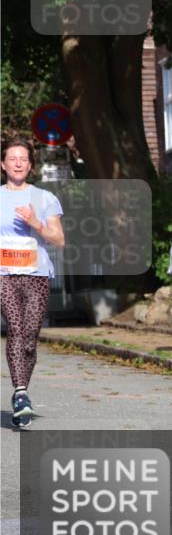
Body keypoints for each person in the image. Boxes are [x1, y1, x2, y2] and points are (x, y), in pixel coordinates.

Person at [0, 138, 65, 428]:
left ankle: (22, 388)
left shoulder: (45, 198)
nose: (17, 162)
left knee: (29, 338)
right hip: (4, 274)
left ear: (30, 165)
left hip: (36, 274)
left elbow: (59, 240)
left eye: (22, 158)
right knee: (15, 328)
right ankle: (21, 394)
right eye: (12, 158)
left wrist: (36, 223)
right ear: (3, 165)